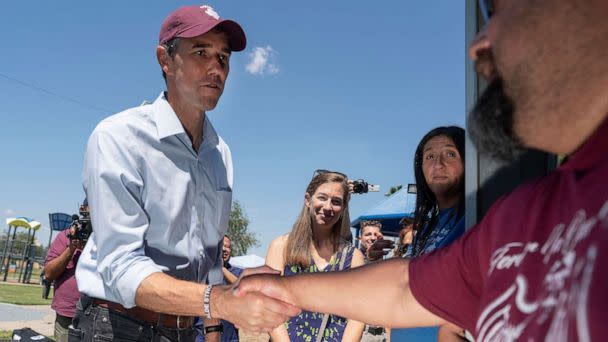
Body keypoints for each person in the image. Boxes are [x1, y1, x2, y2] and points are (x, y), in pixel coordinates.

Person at [235, 0, 608, 340]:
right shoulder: (519, 212)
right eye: (429, 156)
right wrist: (280, 288)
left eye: (498, 11)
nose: (476, 46)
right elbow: (403, 288)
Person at [72, 5, 298, 342]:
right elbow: (121, 267)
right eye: (201, 52)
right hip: (116, 325)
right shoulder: (119, 137)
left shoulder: (220, 154)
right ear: (165, 59)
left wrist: (219, 317)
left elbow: (207, 260)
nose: (216, 68)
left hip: (183, 328)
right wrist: (219, 302)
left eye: (223, 57)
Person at [265, 170, 366, 342]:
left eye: (336, 202)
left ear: (343, 208)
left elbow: (358, 316)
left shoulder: (353, 256)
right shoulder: (281, 247)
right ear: (307, 200)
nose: (328, 207)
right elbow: (269, 306)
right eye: (322, 197)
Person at [44, 201, 88, 342]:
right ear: (83, 208)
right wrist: (71, 248)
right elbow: (49, 274)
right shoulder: (65, 236)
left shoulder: (107, 238)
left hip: (100, 315)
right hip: (67, 313)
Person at [196, 235, 242, 342]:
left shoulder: (236, 272)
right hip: (201, 333)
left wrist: (221, 268)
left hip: (229, 335)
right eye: (222, 246)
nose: (225, 249)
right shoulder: (201, 270)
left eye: (228, 247)